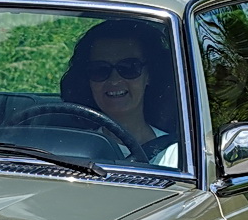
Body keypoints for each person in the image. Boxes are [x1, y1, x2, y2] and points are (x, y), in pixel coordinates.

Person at [59, 18, 181, 165]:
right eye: (100, 70)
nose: (114, 80)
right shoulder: (70, 150)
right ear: (87, 79)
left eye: (129, 68)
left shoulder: (176, 154)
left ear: (149, 75)